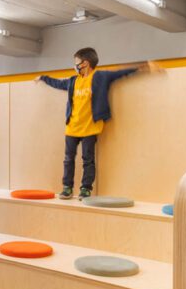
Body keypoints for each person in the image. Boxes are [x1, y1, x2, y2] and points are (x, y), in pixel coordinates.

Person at [35, 47, 159, 199]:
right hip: (72, 127)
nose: (75, 66)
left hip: (90, 128)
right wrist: (43, 77)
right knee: (68, 159)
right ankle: (67, 187)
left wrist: (144, 66)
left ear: (85, 63)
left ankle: (86, 188)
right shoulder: (73, 81)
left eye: (77, 63)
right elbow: (58, 83)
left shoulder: (99, 77)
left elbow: (120, 73)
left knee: (88, 159)